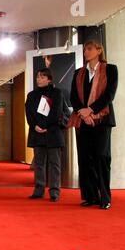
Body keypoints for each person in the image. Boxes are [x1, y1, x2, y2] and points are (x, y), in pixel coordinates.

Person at [69, 40, 118, 210]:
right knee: (85, 158)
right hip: (83, 121)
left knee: (101, 157)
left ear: (99, 50)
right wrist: (84, 114)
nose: (86, 52)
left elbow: (109, 95)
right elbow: (73, 97)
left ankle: (105, 197)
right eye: (84, 50)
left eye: (89, 49)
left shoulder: (110, 69)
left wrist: (91, 110)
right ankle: (90, 196)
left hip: (102, 120)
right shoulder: (78, 73)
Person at [25, 68, 65, 202]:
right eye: (37, 77)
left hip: (52, 132)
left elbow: (56, 112)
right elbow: (29, 114)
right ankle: (38, 190)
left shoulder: (56, 93)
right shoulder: (31, 95)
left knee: (55, 163)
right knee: (39, 163)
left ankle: (54, 191)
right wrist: (35, 125)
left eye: (42, 77)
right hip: (37, 132)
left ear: (49, 79)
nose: (39, 79)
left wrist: (45, 126)